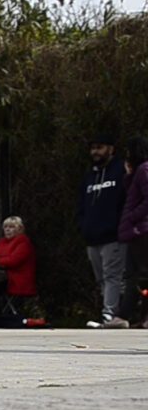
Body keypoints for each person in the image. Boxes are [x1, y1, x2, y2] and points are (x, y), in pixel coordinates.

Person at [77, 133, 129, 328]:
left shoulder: (120, 171)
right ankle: (117, 312)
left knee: (112, 275)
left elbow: (127, 201)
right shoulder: (90, 175)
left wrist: (120, 226)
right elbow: (81, 204)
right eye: (93, 148)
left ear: (111, 149)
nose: (95, 152)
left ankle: (109, 313)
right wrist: (83, 225)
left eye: (100, 148)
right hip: (92, 236)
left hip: (113, 236)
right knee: (101, 278)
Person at [118, 136, 148, 326]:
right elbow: (132, 194)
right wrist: (129, 175)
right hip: (134, 231)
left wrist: (133, 217)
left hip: (142, 229)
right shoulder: (138, 172)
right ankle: (124, 315)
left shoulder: (145, 169)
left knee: (144, 275)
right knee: (132, 275)